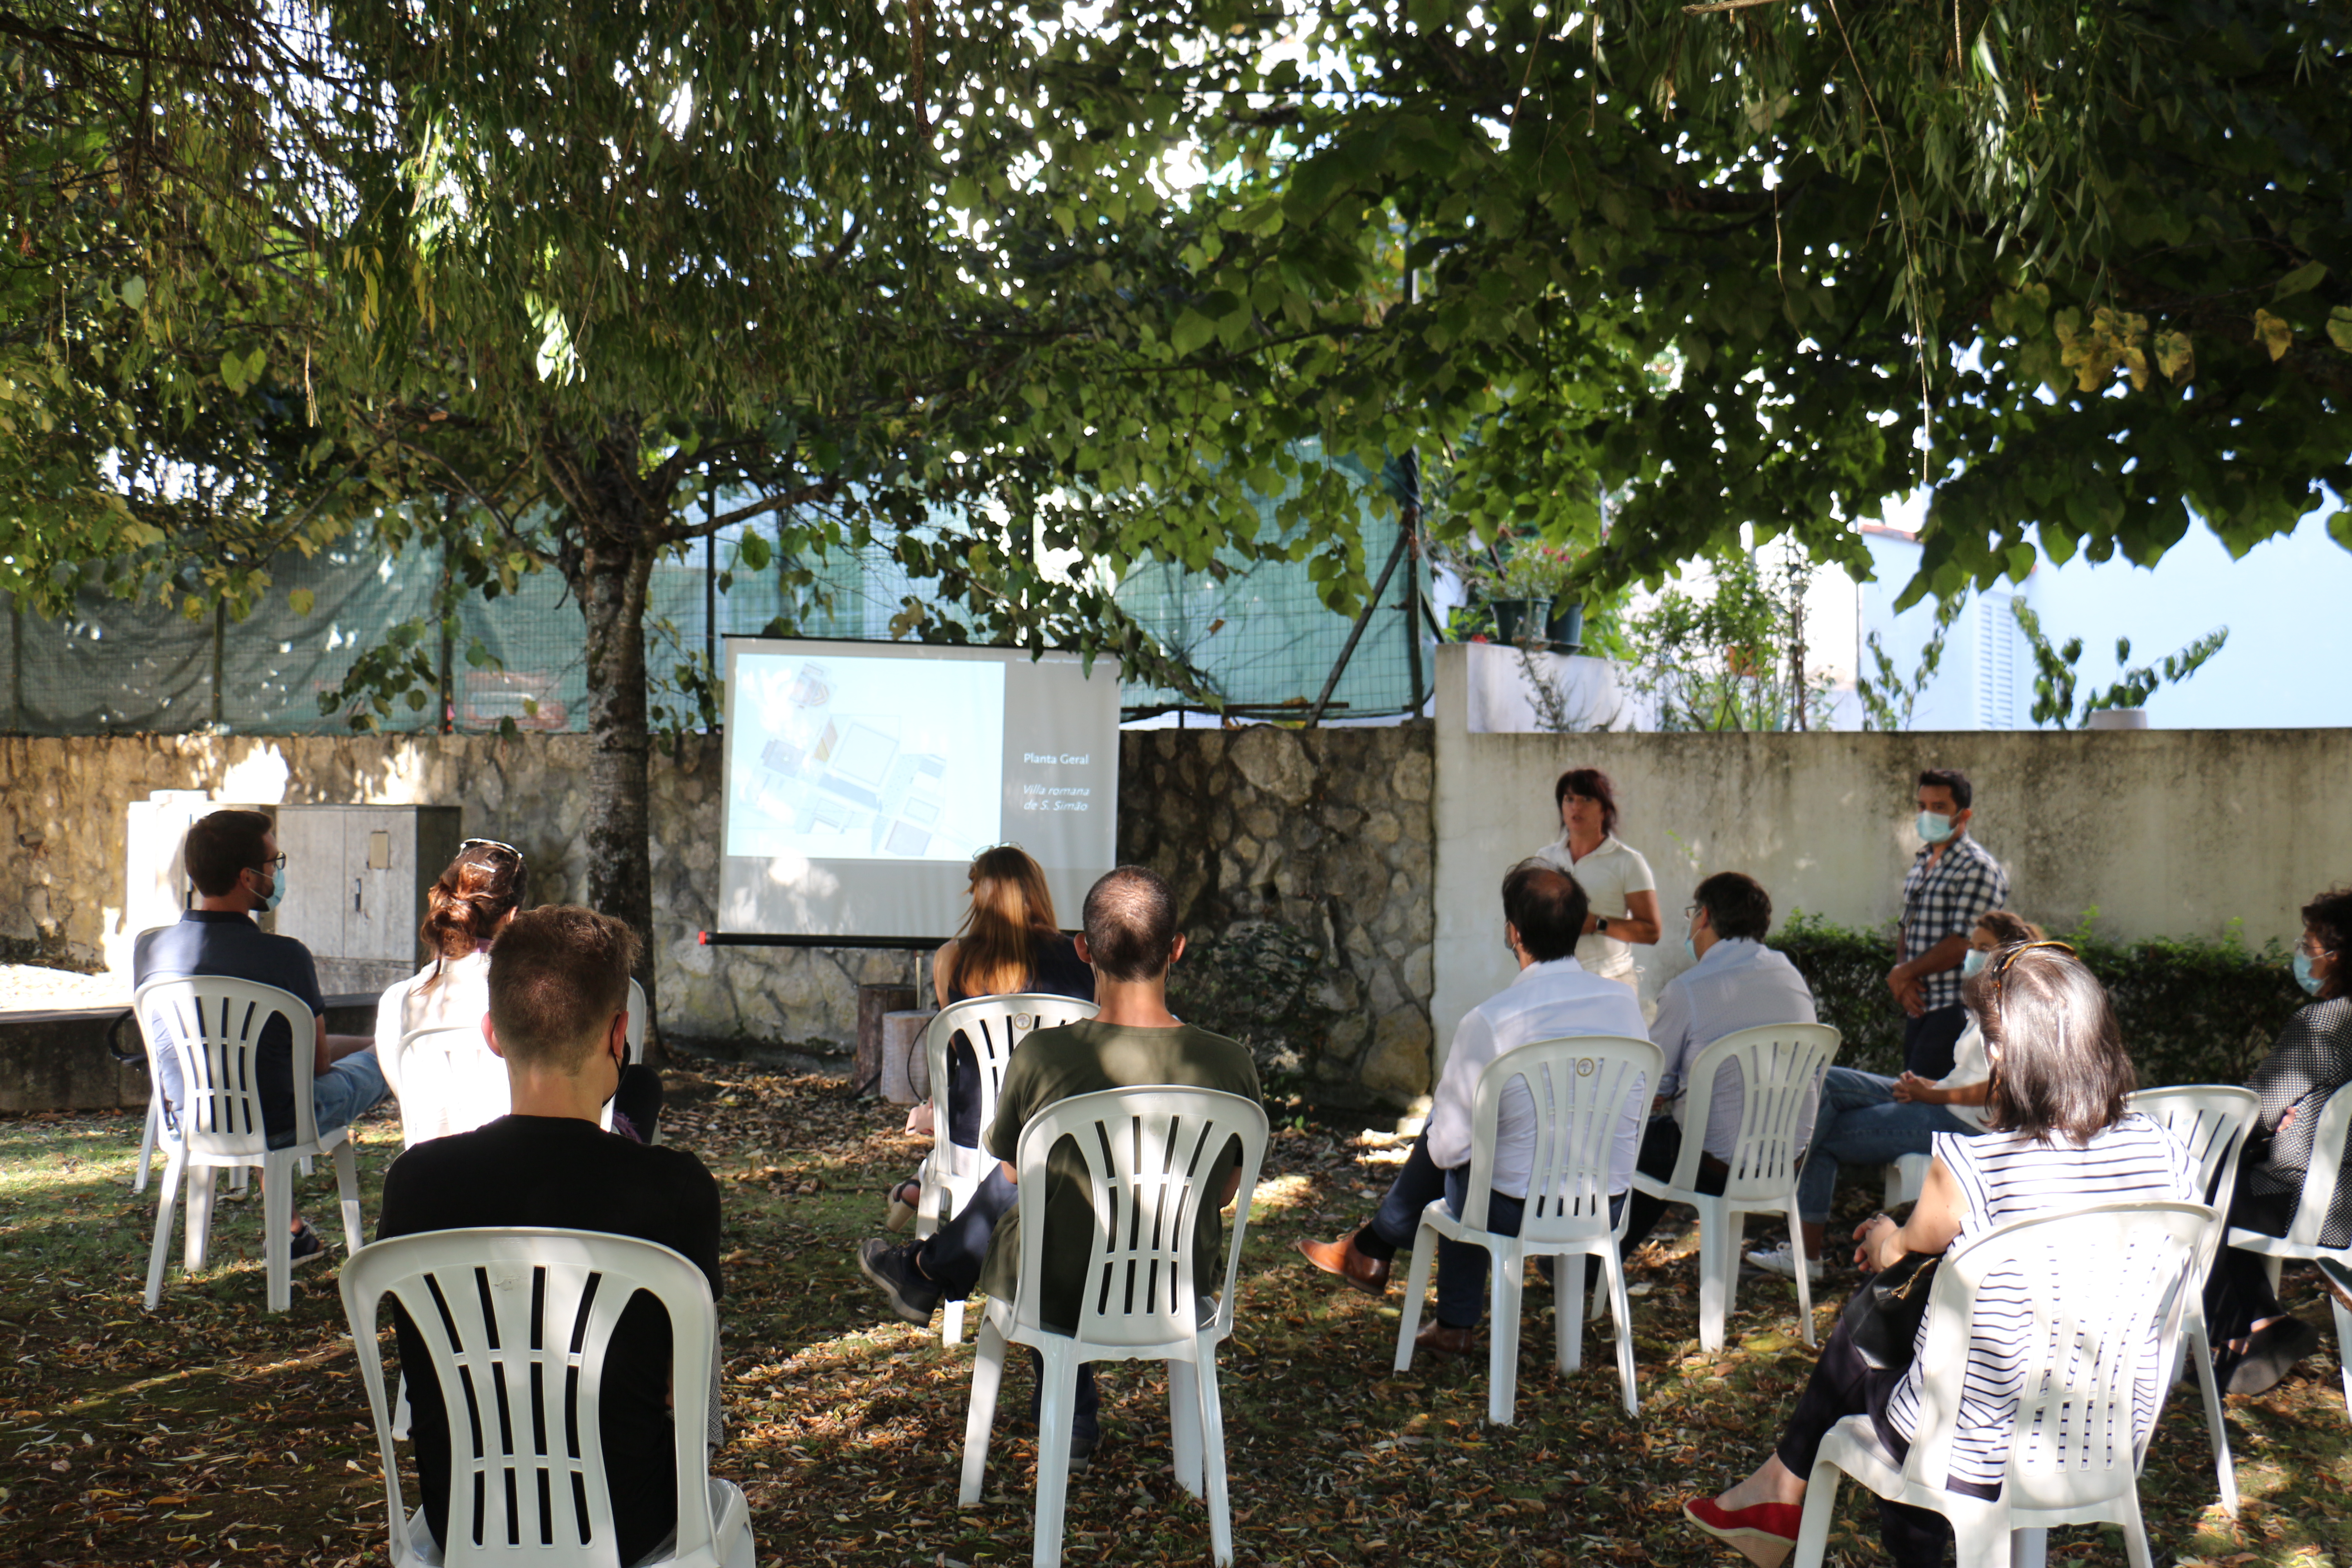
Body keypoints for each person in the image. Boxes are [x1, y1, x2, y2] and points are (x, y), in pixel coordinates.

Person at [1681, 942, 2198, 1568]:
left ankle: (1781, 1492)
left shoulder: (1976, 1166)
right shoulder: (2170, 1153)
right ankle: (1776, 1491)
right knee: (1920, 1307)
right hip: (2104, 1438)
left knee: (1882, 1313)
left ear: (2003, 1054)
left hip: (1976, 1448)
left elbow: (1898, 1251)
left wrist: (1882, 1235)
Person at [854, 866, 1259, 1464]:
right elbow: (1224, 1193)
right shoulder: (1229, 1064)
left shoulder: (1043, 1057)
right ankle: (930, 1273)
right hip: (1178, 1284)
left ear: (1083, 949)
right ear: (1177, 949)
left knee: (1034, 1203)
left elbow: (1012, 1170)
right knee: (1043, 1203)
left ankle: (938, 1278)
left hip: (1062, 1284)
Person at [376, 907, 724, 1568]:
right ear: (619, 1033)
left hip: (465, 1520)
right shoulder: (676, 1188)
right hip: (630, 1525)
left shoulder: (415, 1183)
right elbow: (685, 1397)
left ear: (492, 1034)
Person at [1295, 862, 1649, 1357]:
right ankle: (1381, 1256)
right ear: (1578, 928)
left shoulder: (1491, 1021)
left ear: (1514, 933)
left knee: (1457, 1143)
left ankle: (1409, 1279)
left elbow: (1446, 1151)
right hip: (1604, 1204)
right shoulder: (1623, 1004)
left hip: (1512, 1212)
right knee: (1469, 1143)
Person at [131, 808, 387, 1265]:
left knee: (272, 1078)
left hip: (191, 1117)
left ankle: (292, 1232)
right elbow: (317, 1066)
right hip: (281, 1121)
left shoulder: (150, 949)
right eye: (274, 863)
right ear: (248, 877)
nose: (278, 873)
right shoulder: (285, 957)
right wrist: (380, 1048)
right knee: (388, 1057)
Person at [1749, 911, 2043, 1281]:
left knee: (1823, 1135)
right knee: (1825, 1082)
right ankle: (1784, 1180)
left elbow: (2001, 1090)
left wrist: (1934, 1097)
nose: (1972, 955)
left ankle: (1800, 1245)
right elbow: (1973, 1074)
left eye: (1984, 948)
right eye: (1972, 946)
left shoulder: (2011, 1008)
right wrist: (1928, 1086)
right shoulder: (1985, 1001)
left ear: (2008, 954)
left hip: (1964, 1125)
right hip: (1944, 1104)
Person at [374, 837, 662, 1142]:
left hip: (435, 1161)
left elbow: (408, 1096)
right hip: (549, 1151)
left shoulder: (397, 1001)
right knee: (641, 1085)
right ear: (513, 918)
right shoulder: (533, 991)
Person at [886, 844, 1096, 1226]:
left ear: (979, 897)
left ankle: (922, 1182)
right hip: (1059, 1136)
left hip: (974, 1139)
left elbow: (961, 1050)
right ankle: (920, 1181)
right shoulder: (1084, 960)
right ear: (1038, 892)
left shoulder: (951, 958)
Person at [1615, 872, 1820, 1263]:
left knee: (1621, 1139)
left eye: (1692, 914)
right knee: (1665, 1145)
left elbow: (1649, 1085)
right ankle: (1592, 1265)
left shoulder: (1687, 989)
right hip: (1786, 1159)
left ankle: (1585, 1262)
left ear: (1704, 916)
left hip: (1715, 1164)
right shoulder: (1790, 976)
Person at [2201, 886, 2352, 1395]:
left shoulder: (2324, 1022)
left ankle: (2253, 1330)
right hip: (2344, 1202)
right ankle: (2255, 1332)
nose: (2303, 955)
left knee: (2202, 1188)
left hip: (2312, 1204)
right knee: (2228, 1179)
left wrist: (2273, 1119)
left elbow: (2255, 1110)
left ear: (2339, 955)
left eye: (2309, 945)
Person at [1888, 769, 2009, 1082]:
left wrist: (1904, 973)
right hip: (1920, 1006)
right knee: (1912, 1093)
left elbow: (1963, 943)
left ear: (1964, 814)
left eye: (1939, 807)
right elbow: (1906, 925)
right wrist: (1903, 977)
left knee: (1926, 1102)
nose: (1927, 815)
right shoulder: (1922, 863)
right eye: (1922, 806)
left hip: (1955, 1010)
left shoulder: (1977, 868)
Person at [1529, 767, 1660, 992]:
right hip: (1555, 982)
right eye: (1569, 799)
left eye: (1587, 799)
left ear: (1605, 810)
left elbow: (1652, 932)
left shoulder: (1628, 861)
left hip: (1610, 982)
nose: (1576, 807)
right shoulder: (1545, 858)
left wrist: (1597, 924)